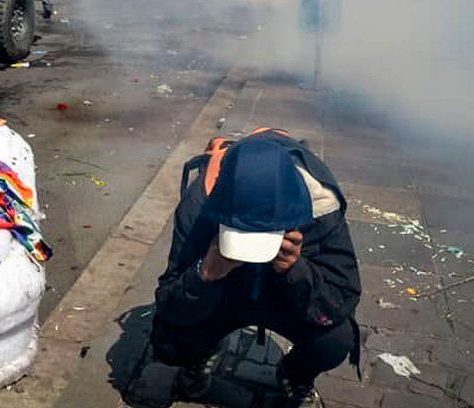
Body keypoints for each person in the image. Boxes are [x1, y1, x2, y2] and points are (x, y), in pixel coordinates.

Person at [127, 129, 361, 408]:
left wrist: (296, 271)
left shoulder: (321, 209)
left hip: (284, 298)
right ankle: (198, 360)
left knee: (335, 339)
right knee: (168, 337)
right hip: (225, 294)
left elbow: (341, 297)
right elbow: (168, 299)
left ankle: (296, 376)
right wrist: (204, 274)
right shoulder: (199, 204)